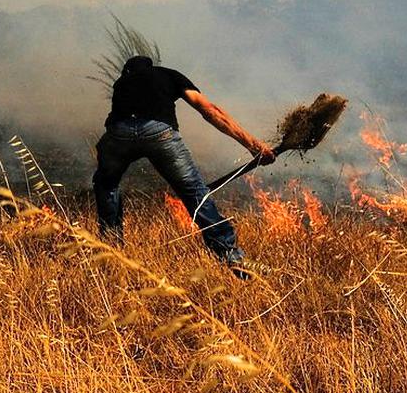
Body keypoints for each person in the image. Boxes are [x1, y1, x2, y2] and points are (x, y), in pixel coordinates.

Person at [93, 55, 275, 277]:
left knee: (106, 185)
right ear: (152, 67)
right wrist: (253, 145)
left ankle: (111, 252)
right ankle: (232, 257)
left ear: (127, 71)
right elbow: (209, 109)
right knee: (195, 193)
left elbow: (112, 124)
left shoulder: (121, 83)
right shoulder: (168, 74)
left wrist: (104, 157)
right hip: (159, 133)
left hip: (118, 134)